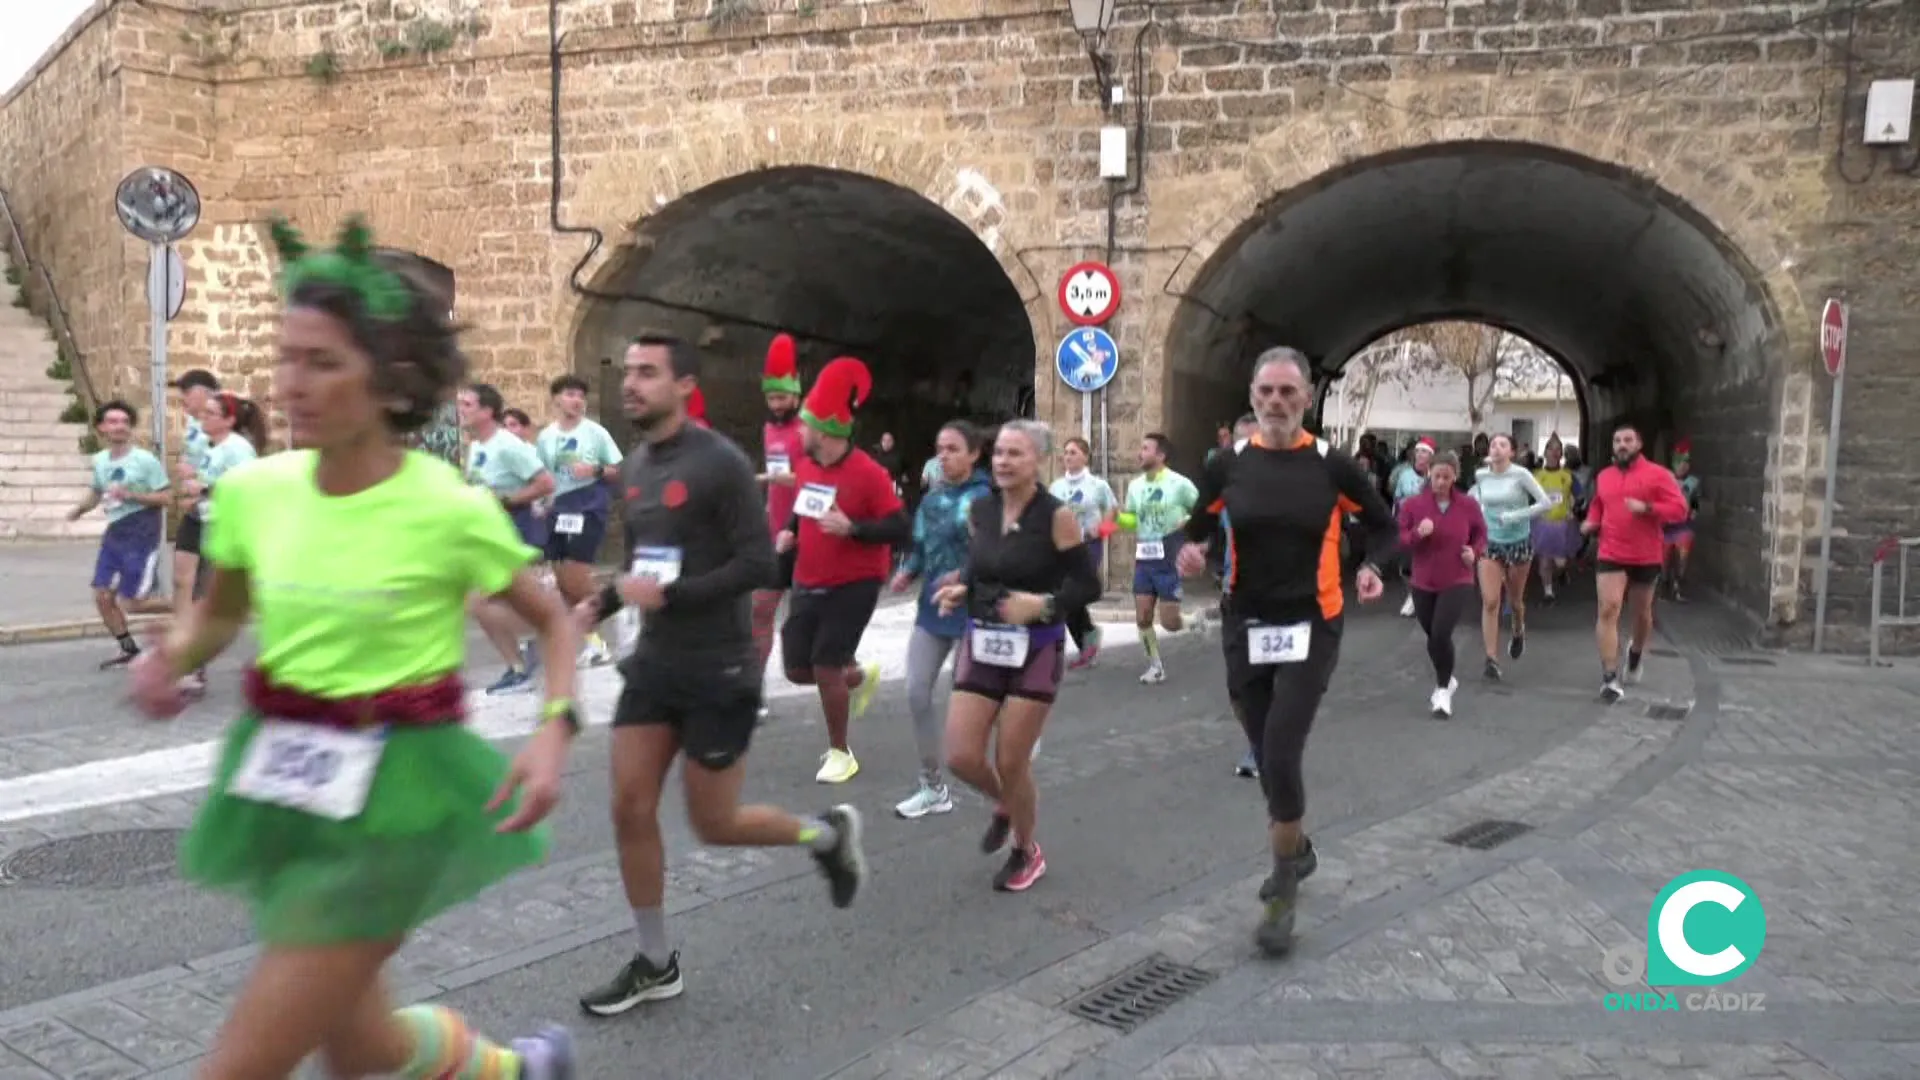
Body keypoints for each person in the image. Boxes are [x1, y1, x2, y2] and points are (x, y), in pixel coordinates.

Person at [125, 214, 579, 1080]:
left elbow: (554, 619)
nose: (292, 384)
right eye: (287, 356)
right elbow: (220, 618)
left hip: (398, 798)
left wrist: (554, 728)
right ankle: (514, 1072)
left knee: (237, 1067)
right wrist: (170, 658)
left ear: (389, 380)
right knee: (361, 1045)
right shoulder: (256, 494)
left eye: (323, 362)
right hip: (286, 782)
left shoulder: (446, 504)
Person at [572, 333, 866, 1017]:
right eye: (629, 372)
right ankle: (654, 961)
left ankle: (827, 836)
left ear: (684, 385)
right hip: (655, 665)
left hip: (719, 667)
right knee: (628, 804)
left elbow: (759, 565)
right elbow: (653, 560)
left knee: (716, 824)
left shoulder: (721, 464)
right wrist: (608, 597)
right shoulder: (640, 465)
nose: (631, 384)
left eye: (648, 373)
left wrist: (670, 598)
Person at [1175, 346, 1396, 956]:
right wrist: (1190, 554)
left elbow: (1385, 524)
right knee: (1259, 739)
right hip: (1245, 621)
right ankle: (1295, 847)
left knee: (1279, 749)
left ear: (1306, 398)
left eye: (1288, 392)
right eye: (1266, 392)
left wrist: (1374, 567)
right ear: (1252, 397)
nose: (1276, 402)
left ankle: (1281, 890)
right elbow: (1196, 529)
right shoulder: (1227, 465)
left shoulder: (1332, 465)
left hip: (1312, 621)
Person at [937, 420, 1099, 892]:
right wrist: (960, 589)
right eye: (1000, 453)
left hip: (1037, 644)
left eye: (1016, 454)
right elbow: (978, 565)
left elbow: (1088, 583)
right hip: (983, 636)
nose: (1003, 462)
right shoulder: (981, 509)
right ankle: (1008, 803)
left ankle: (1026, 850)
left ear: (1038, 461)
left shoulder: (1057, 516)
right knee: (962, 756)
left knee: (1012, 760)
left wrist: (1045, 604)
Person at [774, 357, 909, 784]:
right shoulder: (809, 464)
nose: (799, 431)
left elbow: (900, 525)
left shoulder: (869, 473)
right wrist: (791, 531)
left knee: (825, 665)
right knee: (797, 669)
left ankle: (840, 753)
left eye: (805, 425)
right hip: (809, 576)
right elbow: (806, 503)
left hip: (856, 580)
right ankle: (859, 674)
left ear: (827, 432)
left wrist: (853, 528)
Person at [889, 420, 993, 819]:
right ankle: (932, 786)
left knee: (973, 699)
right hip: (932, 609)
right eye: (939, 448)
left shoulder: (985, 500)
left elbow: (993, 552)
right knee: (916, 691)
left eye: (952, 448)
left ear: (973, 454)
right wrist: (908, 571)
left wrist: (965, 575)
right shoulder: (931, 501)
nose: (943, 456)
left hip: (974, 610)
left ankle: (1011, 746)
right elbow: (919, 546)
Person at [1583, 423, 1690, 702]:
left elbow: (1680, 509)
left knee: (1641, 615)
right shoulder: (1604, 476)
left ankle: (1635, 652)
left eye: (1628, 440)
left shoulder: (1658, 475)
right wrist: (1592, 520)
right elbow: (1599, 503)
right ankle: (1609, 676)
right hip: (1611, 551)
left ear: (1638, 444)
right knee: (1608, 608)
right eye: (1617, 440)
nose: (1622, 444)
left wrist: (1648, 508)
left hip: (1646, 554)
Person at [461, 383, 556, 694]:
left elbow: (545, 482)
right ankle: (525, 657)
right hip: (490, 533)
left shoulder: (507, 445)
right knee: (485, 602)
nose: (461, 409)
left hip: (515, 531)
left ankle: (532, 652)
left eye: (467, 404)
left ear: (487, 411)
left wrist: (508, 500)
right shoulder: (476, 446)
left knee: (481, 601)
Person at [175, 391, 268, 695]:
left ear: (228, 420)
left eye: (211, 414)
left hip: (233, 533)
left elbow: (249, 489)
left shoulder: (238, 449)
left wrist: (202, 485)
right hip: (213, 529)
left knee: (211, 604)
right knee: (208, 602)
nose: (204, 418)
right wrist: (196, 493)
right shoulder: (214, 448)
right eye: (204, 414)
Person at [66, 401, 170, 669]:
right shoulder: (100, 460)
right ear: (101, 427)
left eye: (124, 421)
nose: (120, 426)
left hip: (142, 532)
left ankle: (188, 608)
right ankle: (129, 650)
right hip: (115, 533)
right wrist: (80, 508)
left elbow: (166, 497)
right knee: (102, 596)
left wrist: (132, 495)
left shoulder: (145, 460)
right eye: (113, 422)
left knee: (133, 603)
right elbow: (97, 491)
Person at [537, 373, 625, 667]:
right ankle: (595, 643)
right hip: (559, 507)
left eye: (580, 396)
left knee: (576, 572)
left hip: (588, 504)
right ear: (556, 399)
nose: (576, 401)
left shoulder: (595, 433)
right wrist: (541, 504)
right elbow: (544, 476)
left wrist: (595, 471)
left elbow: (618, 469)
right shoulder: (546, 436)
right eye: (570, 394)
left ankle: (616, 611)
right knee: (563, 580)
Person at [1397, 452, 1485, 718]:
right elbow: (1400, 539)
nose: (1441, 482)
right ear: (1429, 475)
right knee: (1433, 636)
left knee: (1440, 633)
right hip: (1423, 580)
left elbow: (1481, 533)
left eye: (1447, 477)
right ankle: (1447, 676)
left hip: (1457, 578)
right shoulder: (1413, 505)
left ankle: (1443, 690)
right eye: (1437, 476)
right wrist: (1417, 534)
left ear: (1455, 477)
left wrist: (1475, 552)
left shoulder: (1468, 505)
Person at [753, 335, 807, 719]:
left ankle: (846, 674)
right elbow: (776, 480)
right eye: (771, 399)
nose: (776, 406)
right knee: (761, 609)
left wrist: (777, 480)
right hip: (775, 532)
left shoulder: (808, 429)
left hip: (809, 531)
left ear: (796, 395)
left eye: (782, 398)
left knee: (811, 616)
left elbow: (814, 477)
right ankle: (754, 691)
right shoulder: (768, 430)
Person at [1471, 434, 1551, 680]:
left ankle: (1518, 630)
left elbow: (1545, 503)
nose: (1496, 448)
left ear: (1512, 452)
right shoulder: (1481, 475)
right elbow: (1477, 498)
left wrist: (1516, 516)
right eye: (1493, 444)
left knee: (1515, 601)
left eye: (1502, 445)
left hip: (1517, 542)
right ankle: (1491, 659)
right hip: (1490, 543)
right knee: (1491, 601)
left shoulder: (1521, 475)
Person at [1121, 434, 1198, 684]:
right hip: (1145, 555)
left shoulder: (1180, 484)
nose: (1139, 453)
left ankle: (1193, 622)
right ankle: (1155, 666)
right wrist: (1117, 519)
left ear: (1161, 455)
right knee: (1142, 617)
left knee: (1170, 623)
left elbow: (1203, 510)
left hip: (1169, 553)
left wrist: (1187, 521)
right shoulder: (1135, 486)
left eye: (1145, 448)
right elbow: (1133, 519)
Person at [1048, 435, 1116, 669]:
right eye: (1066, 452)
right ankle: (1087, 642)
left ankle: (1085, 638)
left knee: (1075, 592)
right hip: (1062, 547)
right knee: (1066, 596)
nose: (1068, 457)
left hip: (1087, 544)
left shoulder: (1097, 485)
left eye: (1074, 452)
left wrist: (1103, 529)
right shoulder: (1056, 487)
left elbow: (1112, 509)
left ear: (1085, 457)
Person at [169, 369, 221, 626]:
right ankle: (181, 638)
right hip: (195, 510)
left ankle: (197, 647)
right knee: (181, 578)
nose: (183, 400)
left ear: (205, 393)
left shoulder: (225, 423)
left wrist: (199, 483)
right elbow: (190, 455)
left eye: (187, 393)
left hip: (217, 513)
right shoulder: (191, 423)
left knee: (204, 586)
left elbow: (233, 472)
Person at [1529, 438, 1579, 603]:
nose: (1555, 452)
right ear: (1545, 452)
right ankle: (1548, 592)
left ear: (1561, 454)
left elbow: (1579, 496)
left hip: (1562, 524)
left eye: (1558, 449)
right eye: (1551, 449)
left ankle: (1562, 572)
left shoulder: (1568, 476)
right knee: (1544, 560)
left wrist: (1574, 508)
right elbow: (1528, 498)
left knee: (1560, 562)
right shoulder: (1537, 476)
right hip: (1542, 523)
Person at [1390, 438, 1434, 617]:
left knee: (1427, 564)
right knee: (1406, 567)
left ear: (1431, 456)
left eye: (1424, 452)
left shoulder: (1435, 476)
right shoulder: (1405, 475)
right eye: (1418, 451)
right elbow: (1397, 499)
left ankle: (1423, 599)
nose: (1420, 455)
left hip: (1430, 526)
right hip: (1408, 525)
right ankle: (1413, 594)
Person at [1664, 439, 1701, 602]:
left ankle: (1678, 584)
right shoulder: (1664, 478)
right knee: (1664, 559)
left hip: (1684, 524)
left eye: (1687, 462)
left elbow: (1696, 501)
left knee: (1683, 556)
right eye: (1680, 461)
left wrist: (1694, 510)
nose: (1683, 466)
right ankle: (1665, 584)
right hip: (1665, 525)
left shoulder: (1693, 482)